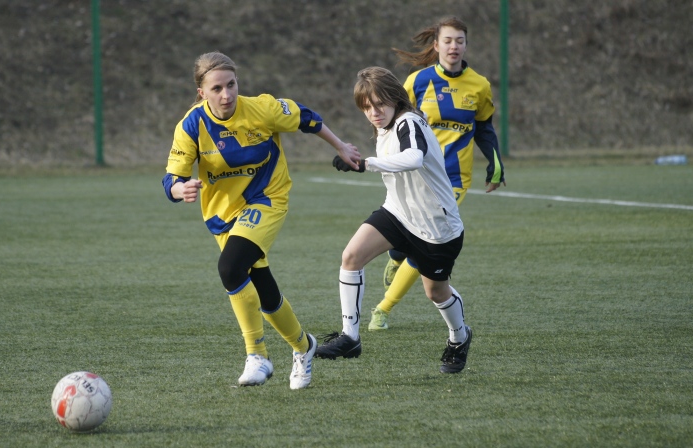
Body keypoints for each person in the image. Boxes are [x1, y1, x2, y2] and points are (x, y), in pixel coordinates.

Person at [162, 51, 361, 389]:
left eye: (231, 85)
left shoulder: (263, 109)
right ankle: (304, 347)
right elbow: (170, 181)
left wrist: (340, 145)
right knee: (262, 287)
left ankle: (257, 355)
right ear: (201, 93)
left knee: (230, 268)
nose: (226, 95)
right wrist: (181, 190)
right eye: (216, 89)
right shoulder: (192, 126)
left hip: (268, 198)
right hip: (222, 214)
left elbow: (308, 119)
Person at [314, 66, 472, 374]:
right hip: (398, 213)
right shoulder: (384, 128)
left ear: (395, 99)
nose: (374, 112)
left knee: (436, 292)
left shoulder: (408, 122)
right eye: (367, 107)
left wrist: (365, 164)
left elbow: (413, 158)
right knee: (351, 257)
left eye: (380, 104)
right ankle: (350, 337)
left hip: (436, 228)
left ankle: (459, 337)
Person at [370, 16, 506, 331]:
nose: (454, 46)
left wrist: (495, 162)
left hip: (453, 181)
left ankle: (383, 308)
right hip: (414, 177)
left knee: (428, 244)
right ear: (436, 45)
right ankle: (397, 253)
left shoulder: (479, 85)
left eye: (460, 40)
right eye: (448, 40)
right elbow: (392, 122)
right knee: (407, 237)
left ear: (466, 45)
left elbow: (484, 127)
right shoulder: (417, 81)